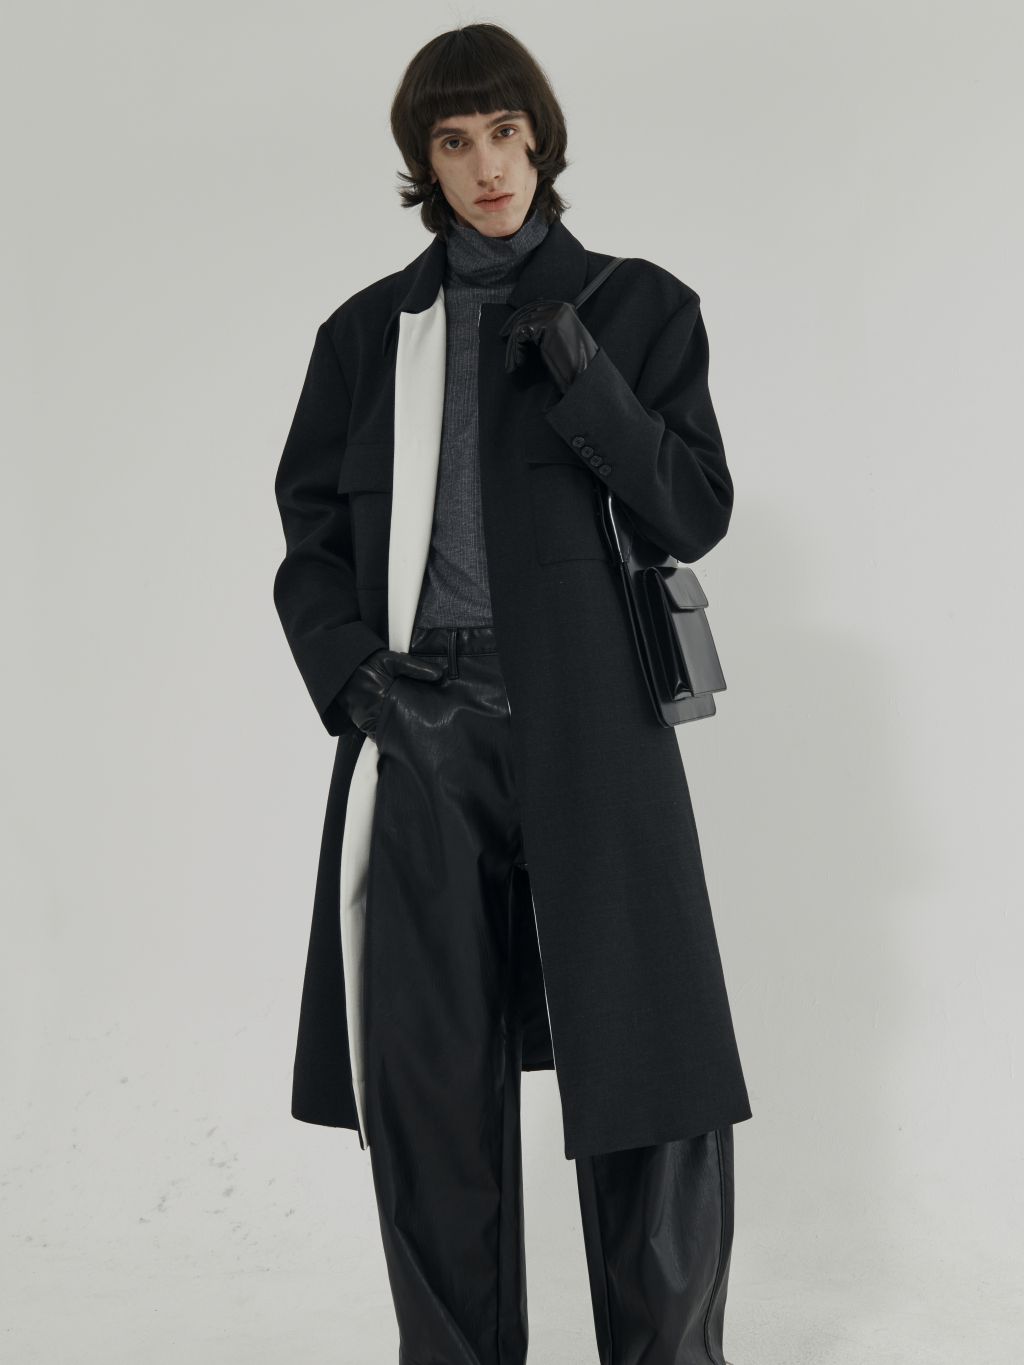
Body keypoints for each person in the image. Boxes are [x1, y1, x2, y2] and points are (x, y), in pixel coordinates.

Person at [273, 22, 751, 1365]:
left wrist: (586, 377)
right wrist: (360, 682)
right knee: (429, 1079)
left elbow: (693, 509)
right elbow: (309, 540)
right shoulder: (367, 336)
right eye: (455, 141)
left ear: (541, 140)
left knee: (650, 1062)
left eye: (506, 133)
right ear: (423, 163)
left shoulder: (638, 307)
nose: (488, 167)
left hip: (595, 719)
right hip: (422, 720)